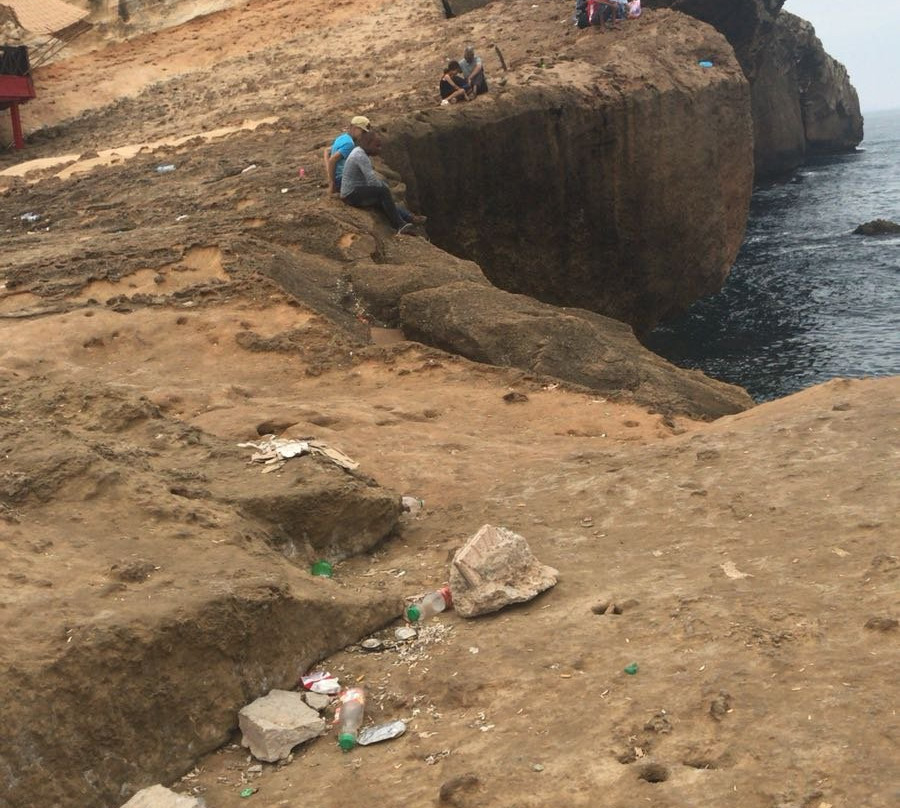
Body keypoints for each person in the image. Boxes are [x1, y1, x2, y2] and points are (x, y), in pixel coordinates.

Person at [340, 129, 425, 235]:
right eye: (377, 146)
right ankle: (400, 224)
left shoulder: (360, 152)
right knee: (383, 193)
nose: (380, 149)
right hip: (350, 194)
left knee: (384, 197)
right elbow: (371, 180)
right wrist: (385, 189)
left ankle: (410, 217)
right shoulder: (360, 156)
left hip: (354, 190)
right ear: (368, 144)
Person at [326, 115, 372, 195]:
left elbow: (327, 151)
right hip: (342, 181)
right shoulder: (349, 144)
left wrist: (329, 175)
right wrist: (332, 183)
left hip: (339, 178)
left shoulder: (342, 137)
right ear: (354, 128)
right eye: (363, 132)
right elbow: (332, 160)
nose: (364, 135)